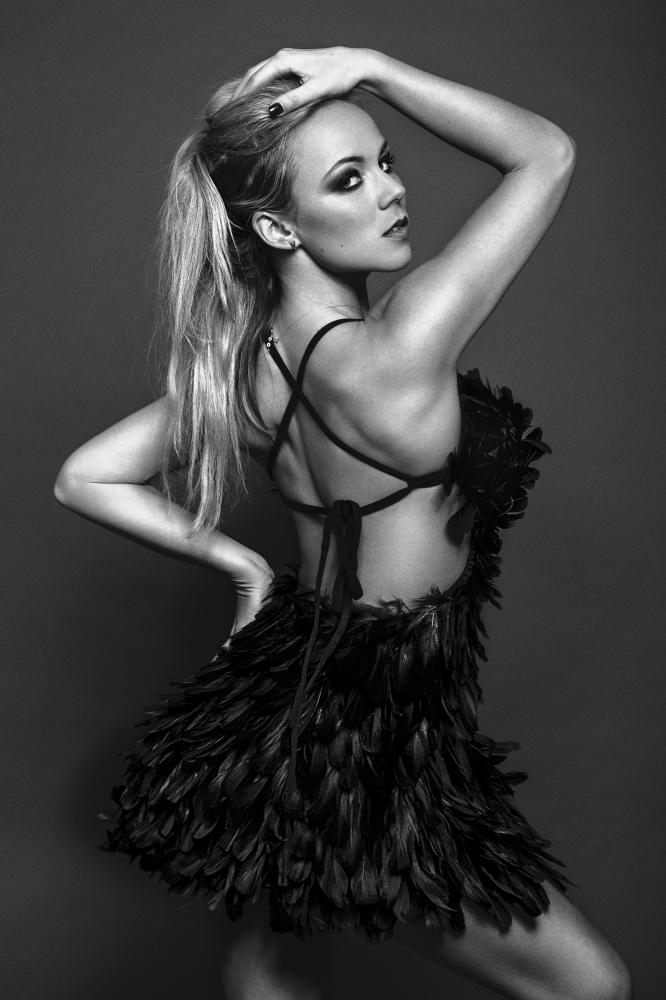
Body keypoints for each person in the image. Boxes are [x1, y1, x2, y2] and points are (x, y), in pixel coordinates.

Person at [53, 45, 631, 1000]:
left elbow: (84, 477)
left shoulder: (246, 368)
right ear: (278, 226)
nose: (391, 192)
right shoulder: (407, 339)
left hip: (293, 703)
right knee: (588, 986)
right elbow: (546, 153)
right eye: (348, 180)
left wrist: (246, 570)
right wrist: (374, 66)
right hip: (369, 735)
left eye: (386, 161)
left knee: (278, 965)